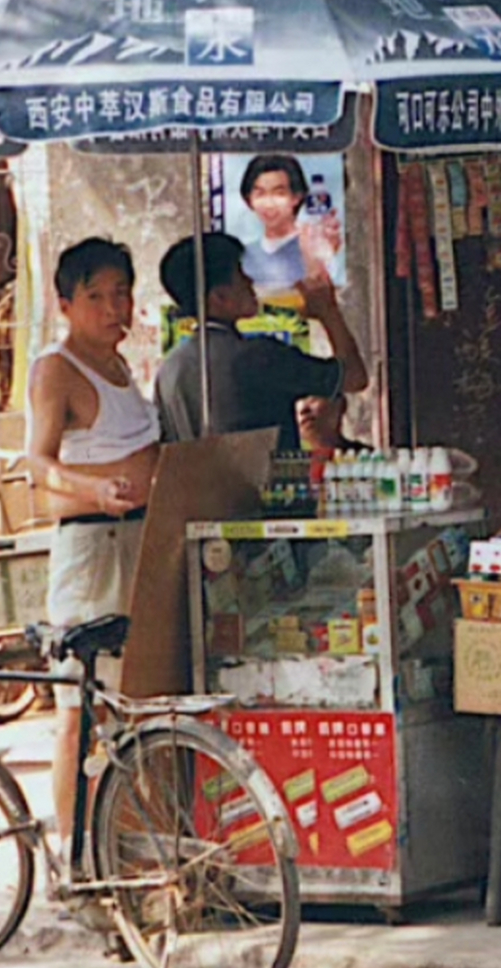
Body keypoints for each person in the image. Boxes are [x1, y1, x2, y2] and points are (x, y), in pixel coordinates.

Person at [24, 239, 160, 865]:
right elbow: (38, 465)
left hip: (139, 543)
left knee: (136, 704)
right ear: (65, 305)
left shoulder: (124, 366)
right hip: (93, 550)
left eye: (121, 293)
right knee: (80, 710)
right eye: (95, 297)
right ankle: (76, 857)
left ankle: (127, 849)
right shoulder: (57, 369)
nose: (113, 308)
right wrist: (95, 487)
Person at [154, 231, 367, 448]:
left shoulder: (169, 370)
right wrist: (328, 311)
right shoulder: (257, 356)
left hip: (196, 482)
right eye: (240, 274)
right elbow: (353, 376)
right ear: (219, 297)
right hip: (265, 480)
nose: (249, 281)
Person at [236, 154, 331, 293]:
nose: (269, 204)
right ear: (249, 199)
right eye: (260, 194)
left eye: (279, 193)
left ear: (296, 197)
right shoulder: (243, 255)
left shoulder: (312, 248)